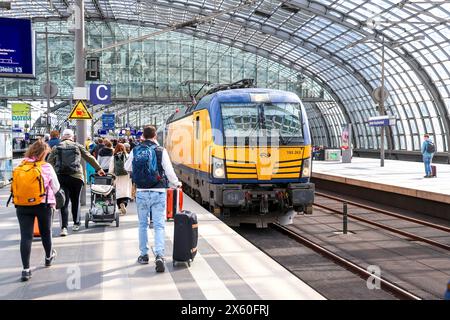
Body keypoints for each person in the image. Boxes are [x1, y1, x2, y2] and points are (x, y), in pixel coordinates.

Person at [125, 125, 181, 273]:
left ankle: (144, 255)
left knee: (142, 225)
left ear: (143, 136)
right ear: (155, 136)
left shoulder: (136, 149)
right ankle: (159, 255)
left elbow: (127, 167)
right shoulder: (160, 150)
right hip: (158, 191)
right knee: (159, 225)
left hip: (142, 191)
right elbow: (169, 171)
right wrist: (176, 183)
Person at [13, 139, 59, 281]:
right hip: (42, 204)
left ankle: (26, 270)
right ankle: (48, 257)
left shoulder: (20, 165)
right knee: (46, 233)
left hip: (22, 205)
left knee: (26, 236)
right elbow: (56, 187)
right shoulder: (46, 167)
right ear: (43, 153)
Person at [48, 129, 105, 236]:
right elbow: (89, 157)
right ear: (72, 137)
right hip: (76, 177)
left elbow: (49, 163)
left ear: (62, 137)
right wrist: (98, 169)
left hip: (61, 177)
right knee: (76, 201)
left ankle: (64, 228)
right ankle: (76, 223)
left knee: (63, 203)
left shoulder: (56, 148)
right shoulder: (77, 146)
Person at [109, 143, 132, 215]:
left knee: (118, 191)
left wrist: (111, 175)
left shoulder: (113, 157)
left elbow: (111, 168)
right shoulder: (127, 156)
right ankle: (124, 203)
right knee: (126, 191)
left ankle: (119, 207)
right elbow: (130, 167)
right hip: (126, 176)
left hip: (117, 176)